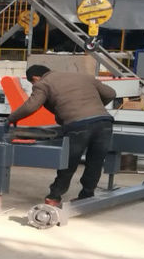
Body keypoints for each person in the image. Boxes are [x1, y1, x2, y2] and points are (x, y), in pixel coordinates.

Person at [7, 64, 116, 206]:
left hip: (78, 125)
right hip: (104, 123)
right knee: (95, 162)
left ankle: (54, 196)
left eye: (32, 83)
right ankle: (87, 195)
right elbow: (111, 94)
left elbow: (31, 106)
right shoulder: (84, 77)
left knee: (68, 162)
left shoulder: (43, 83)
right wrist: (94, 107)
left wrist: (11, 118)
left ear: (35, 78)